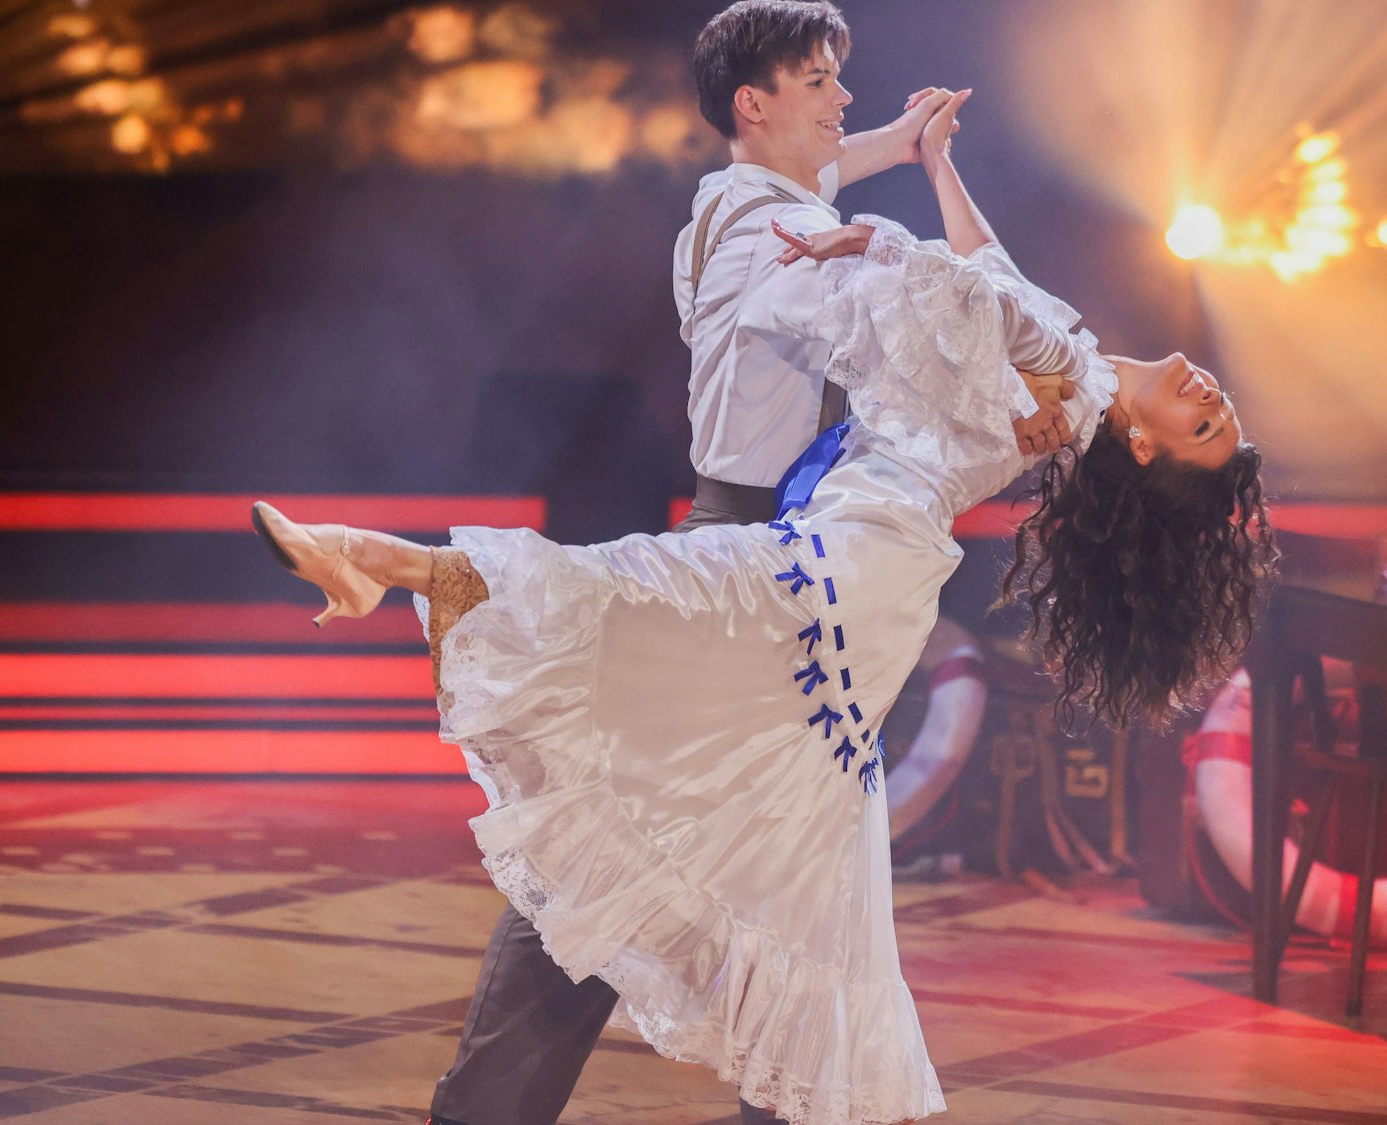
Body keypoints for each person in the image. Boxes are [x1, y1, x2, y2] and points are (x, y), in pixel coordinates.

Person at [250, 62, 1272, 1125]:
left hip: (850, 569)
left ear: (1146, 449)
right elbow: (987, 267)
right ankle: (383, 563)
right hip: (847, 564)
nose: (1208, 398)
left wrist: (877, 240)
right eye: (1220, 407)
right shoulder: (1073, 356)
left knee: (648, 610)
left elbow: (974, 300)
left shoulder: (1068, 385)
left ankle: (382, 559)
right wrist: (934, 162)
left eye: (1205, 429)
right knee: (777, 848)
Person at [401, 3, 1063, 1122]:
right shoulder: (768, 231)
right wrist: (971, 334)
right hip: (754, 568)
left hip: (771, 552)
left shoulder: (738, 203)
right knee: (631, 855)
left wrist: (902, 150)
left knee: (770, 880)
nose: (841, 99)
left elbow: (809, 188)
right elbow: (854, 308)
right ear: (753, 102)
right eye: (817, 81)